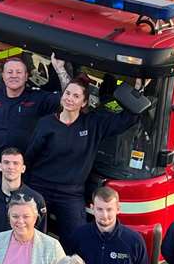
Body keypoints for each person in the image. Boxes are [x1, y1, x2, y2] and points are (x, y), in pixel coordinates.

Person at [26, 78, 140, 249]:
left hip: (70, 193)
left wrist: (136, 91)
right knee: (29, 233)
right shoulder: (46, 123)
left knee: (77, 238)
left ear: (84, 102)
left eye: (76, 96)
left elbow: (127, 119)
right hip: (40, 187)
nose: (70, 98)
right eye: (67, 93)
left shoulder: (93, 124)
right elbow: (30, 156)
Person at [0, 57, 60, 165]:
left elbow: (66, 99)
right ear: (3, 76)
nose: (14, 75)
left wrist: (60, 70)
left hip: (26, 166)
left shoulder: (38, 98)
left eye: (19, 72)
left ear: (26, 76)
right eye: (9, 72)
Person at [0, 149, 49, 248]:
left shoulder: (36, 199)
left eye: (15, 163)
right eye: (6, 163)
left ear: (23, 168)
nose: (11, 167)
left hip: (23, 256)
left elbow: (41, 236)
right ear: (0, 166)